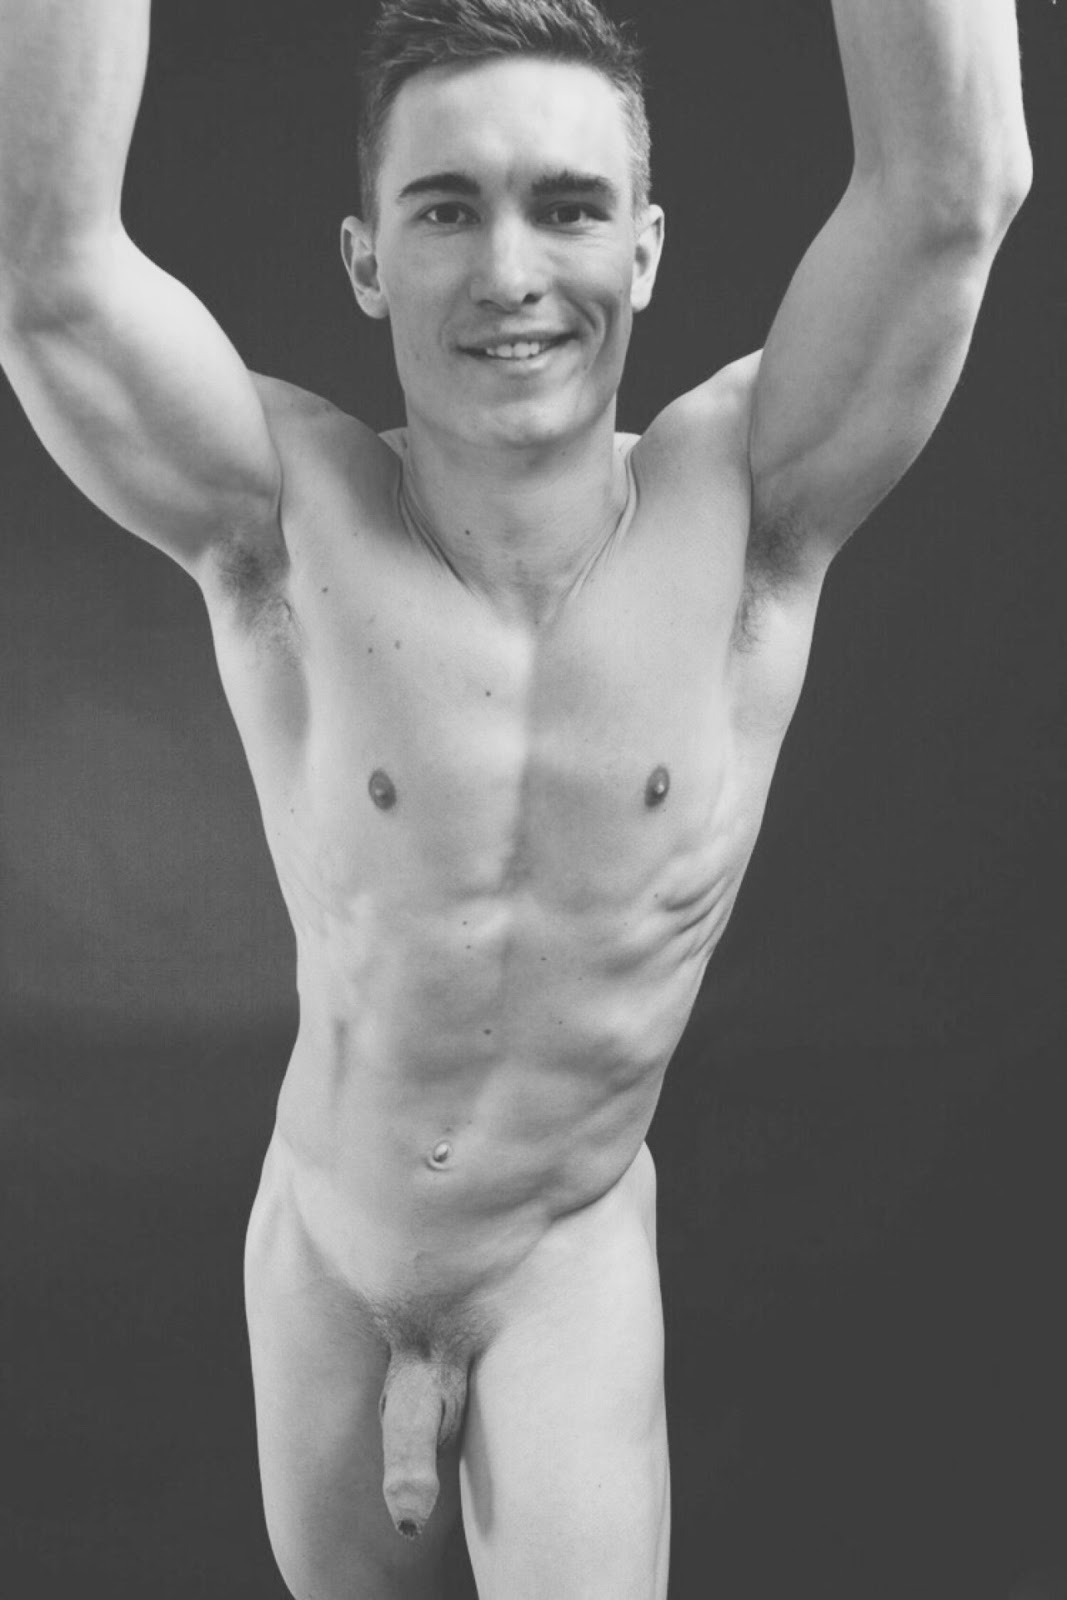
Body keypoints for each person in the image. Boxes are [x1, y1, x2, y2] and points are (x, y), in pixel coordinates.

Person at [0, 1, 1032, 1596]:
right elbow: (45, 271)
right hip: (326, 1255)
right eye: (445, 210)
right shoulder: (282, 515)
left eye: (567, 206)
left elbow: (954, 190)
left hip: (563, 1260)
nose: (509, 271)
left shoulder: (749, 505)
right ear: (365, 260)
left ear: (646, 247)